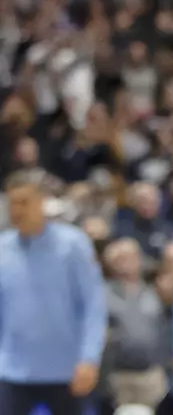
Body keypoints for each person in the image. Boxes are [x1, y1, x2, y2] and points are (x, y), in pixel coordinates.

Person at [0, 170, 106, 415]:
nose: (17, 210)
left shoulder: (73, 245)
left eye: (24, 202)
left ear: (42, 203)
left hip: (66, 370)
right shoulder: (2, 249)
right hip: (12, 369)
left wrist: (89, 358)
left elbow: (93, 304)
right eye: (12, 203)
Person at [103, 237, 171, 412]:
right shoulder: (103, 294)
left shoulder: (153, 292)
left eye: (133, 256)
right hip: (119, 376)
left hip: (150, 374)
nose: (128, 263)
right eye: (122, 258)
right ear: (112, 263)